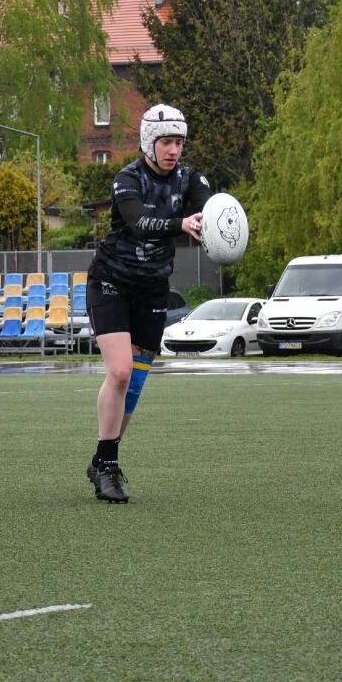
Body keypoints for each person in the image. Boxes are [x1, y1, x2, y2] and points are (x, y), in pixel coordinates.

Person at [84, 104, 213, 504]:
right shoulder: (127, 179)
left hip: (152, 288)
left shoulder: (190, 178)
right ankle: (108, 468)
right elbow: (142, 222)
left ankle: (101, 457)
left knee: (134, 384)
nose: (174, 150)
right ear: (148, 142)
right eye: (166, 141)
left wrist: (220, 221)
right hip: (111, 282)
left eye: (179, 142)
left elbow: (210, 206)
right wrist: (182, 225)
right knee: (120, 372)